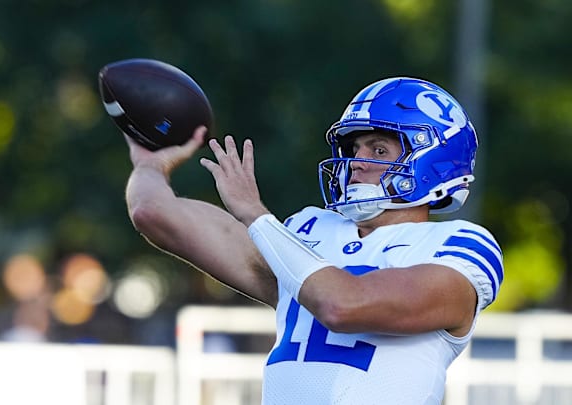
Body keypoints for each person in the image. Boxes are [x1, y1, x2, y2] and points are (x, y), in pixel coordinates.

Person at [123, 77, 504, 404]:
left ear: (432, 160)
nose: (357, 161)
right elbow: (153, 213)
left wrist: (255, 215)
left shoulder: (458, 243)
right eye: (355, 148)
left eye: (379, 149)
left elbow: (342, 305)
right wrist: (150, 164)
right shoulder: (309, 231)